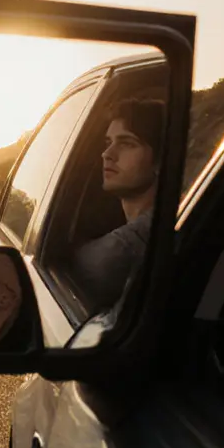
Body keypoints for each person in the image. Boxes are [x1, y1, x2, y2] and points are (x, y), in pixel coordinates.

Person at [69, 97, 165, 312]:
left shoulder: (129, 244)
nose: (107, 154)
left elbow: (91, 266)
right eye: (108, 143)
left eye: (127, 143)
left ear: (161, 159)